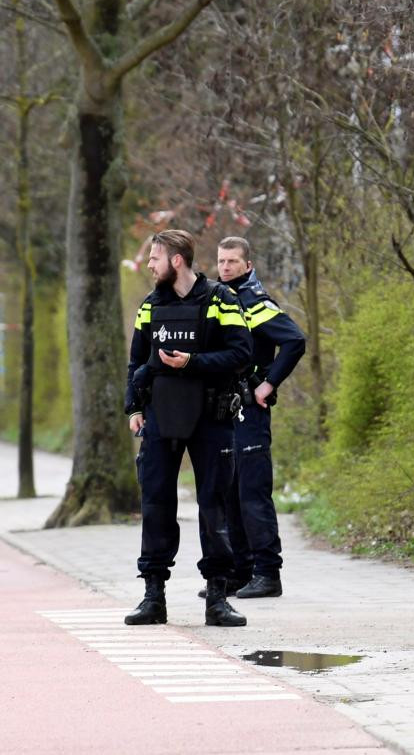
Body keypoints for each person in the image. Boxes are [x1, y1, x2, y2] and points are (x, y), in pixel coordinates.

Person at [123, 229, 252, 628]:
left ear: (176, 260)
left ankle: (218, 598)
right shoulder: (150, 305)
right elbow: (136, 361)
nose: (149, 265)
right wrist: (133, 407)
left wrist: (191, 363)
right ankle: (153, 596)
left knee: (214, 507)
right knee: (156, 505)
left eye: (155, 258)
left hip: (212, 418)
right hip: (161, 417)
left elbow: (241, 354)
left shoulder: (220, 300)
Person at [210, 236, 306, 599]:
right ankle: (240, 572)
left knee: (252, 493)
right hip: (224, 410)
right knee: (230, 493)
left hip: (250, 409)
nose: (225, 267)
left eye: (233, 261)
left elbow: (295, 340)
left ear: (247, 266)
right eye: (221, 261)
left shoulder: (254, 302)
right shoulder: (220, 301)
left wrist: (268, 384)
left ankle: (268, 573)